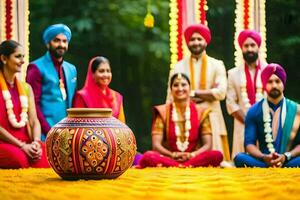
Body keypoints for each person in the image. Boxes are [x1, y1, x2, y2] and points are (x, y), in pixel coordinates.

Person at [167, 24, 230, 161]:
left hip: (211, 115)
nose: (196, 42)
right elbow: (170, 96)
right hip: (184, 119)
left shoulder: (217, 64)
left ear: (206, 41)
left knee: (215, 161)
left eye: (199, 39)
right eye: (192, 39)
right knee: (185, 162)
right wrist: (208, 93)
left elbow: (220, 93)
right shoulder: (178, 66)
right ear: (187, 42)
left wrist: (191, 93)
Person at [139, 73, 223, 168]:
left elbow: (208, 145)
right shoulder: (162, 111)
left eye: (183, 85)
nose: (180, 88)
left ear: (190, 88)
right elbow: (156, 145)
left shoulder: (201, 112)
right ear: (171, 90)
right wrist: (173, 155)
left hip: (194, 157)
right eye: (175, 85)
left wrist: (192, 155)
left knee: (217, 155)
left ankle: (178, 166)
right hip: (169, 157)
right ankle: (184, 166)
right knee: (148, 156)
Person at [234, 63, 300, 168]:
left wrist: (286, 156)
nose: (274, 85)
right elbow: (249, 144)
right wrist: (264, 157)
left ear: (283, 83)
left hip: (289, 159)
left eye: (277, 81)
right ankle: (271, 166)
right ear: (264, 84)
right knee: (239, 158)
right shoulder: (254, 111)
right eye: (270, 82)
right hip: (264, 160)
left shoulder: (296, 110)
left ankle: (277, 166)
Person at [0, 40, 49, 168]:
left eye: (23, 57)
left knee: (48, 155)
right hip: (5, 143)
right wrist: (21, 146)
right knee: (19, 159)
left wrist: (36, 142)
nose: (22, 61)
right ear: (4, 59)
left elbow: (34, 121)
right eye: (18, 56)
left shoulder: (26, 88)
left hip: (26, 143)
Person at [26, 24, 77, 140]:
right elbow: (33, 105)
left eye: (65, 41)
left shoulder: (71, 69)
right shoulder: (36, 68)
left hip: (68, 133)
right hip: (44, 133)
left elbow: (73, 102)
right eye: (56, 40)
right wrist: (50, 131)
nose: (61, 45)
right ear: (48, 43)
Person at [226, 30, 268, 158]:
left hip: (266, 123)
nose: (250, 49)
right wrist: (249, 121)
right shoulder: (233, 73)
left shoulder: (269, 70)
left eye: (252, 45)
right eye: (246, 46)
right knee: (241, 160)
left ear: (258, 47)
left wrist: (260, 122)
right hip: (241, 124)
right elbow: (230, 103)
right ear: (241, 48)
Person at [73, 56, 125, 122]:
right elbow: (78, 125)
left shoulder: (117, 97)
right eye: (101, 71)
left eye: (108, 71)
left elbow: (122, 126)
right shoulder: (82, 96)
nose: (106, 75)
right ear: (92, 74)